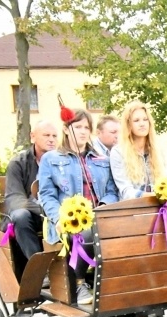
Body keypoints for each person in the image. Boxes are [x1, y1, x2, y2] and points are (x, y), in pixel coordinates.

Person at [38, 108, 120, 305]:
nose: (83, 131)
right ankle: (78, 281)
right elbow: (47, 195)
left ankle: (119, 280)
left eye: (86, 127)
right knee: (88, 233)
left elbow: (111, 191)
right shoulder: (51, 159)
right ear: (67, 129)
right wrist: (59, 218)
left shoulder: (101, 159)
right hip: (68, 223)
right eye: (77, 127)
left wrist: (101, 206)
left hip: (98, 217)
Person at [4, 120, 58, 266]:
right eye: (46, 135)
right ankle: (40, 267)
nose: (52, 139)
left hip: (57, 214)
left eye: (54, 136)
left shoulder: (62, 162)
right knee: (20, 215)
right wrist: (45, 211)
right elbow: (15, 199)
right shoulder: (18, 163)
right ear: (33, 137)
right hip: (32, 217)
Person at [110, 100, 166, 200]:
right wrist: (152, 196)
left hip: (161, 208)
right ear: (128, 125)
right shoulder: (118, 152)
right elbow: (126, 191)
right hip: (132, 209)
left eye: (145, 119)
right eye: (136, 120)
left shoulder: (159, 150)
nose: (142, 124)